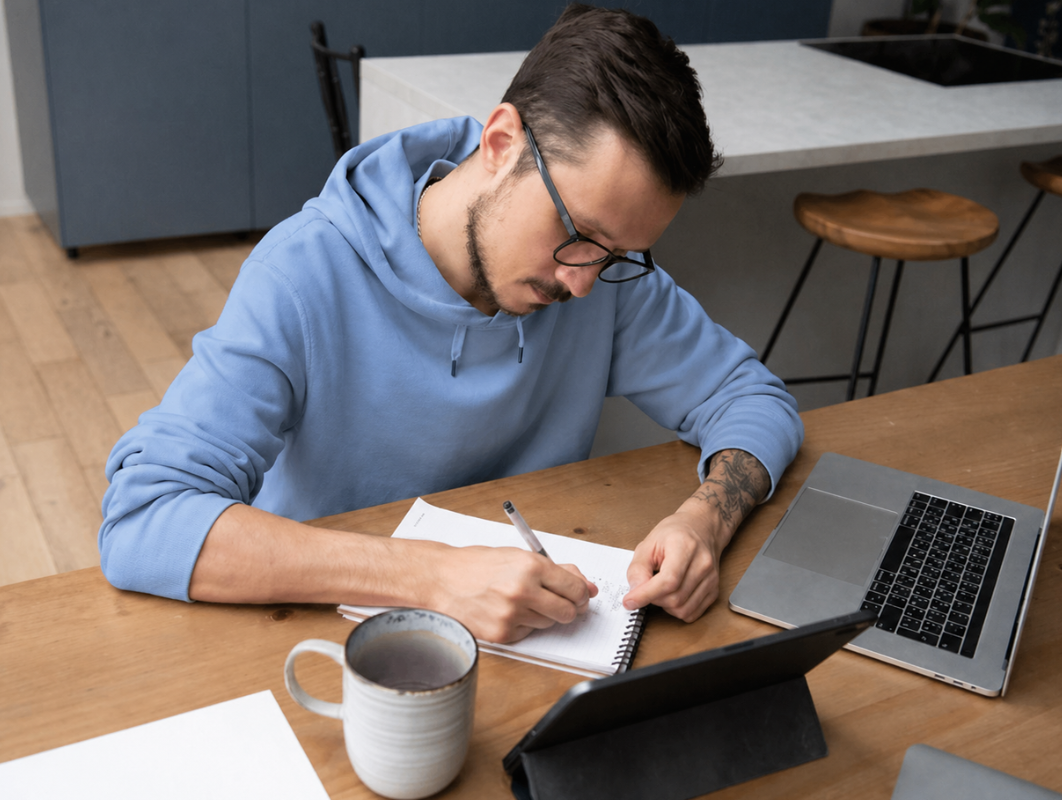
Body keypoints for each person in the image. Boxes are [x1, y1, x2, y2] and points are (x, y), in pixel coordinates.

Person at [98, 3, 803, 643]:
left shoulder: (600, 280)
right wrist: (430, 577)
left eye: (618, 254)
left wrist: (706, 518)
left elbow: (753, 398)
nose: (583, 281)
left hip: (539, 637)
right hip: (323, 639)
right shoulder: (305, 272)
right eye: (576, 231)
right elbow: (144, 519)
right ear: (500, 144)